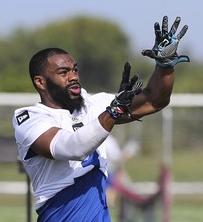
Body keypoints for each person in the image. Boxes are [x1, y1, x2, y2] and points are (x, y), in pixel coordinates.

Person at [12, 16, 189, 221]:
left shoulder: (94, 105)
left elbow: (154, 100)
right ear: (40, 82)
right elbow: (72, 148)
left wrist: (165, 65)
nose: (73, 76)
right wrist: (112, 113)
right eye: (63, 72)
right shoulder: (29, 118)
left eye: (75, 70)